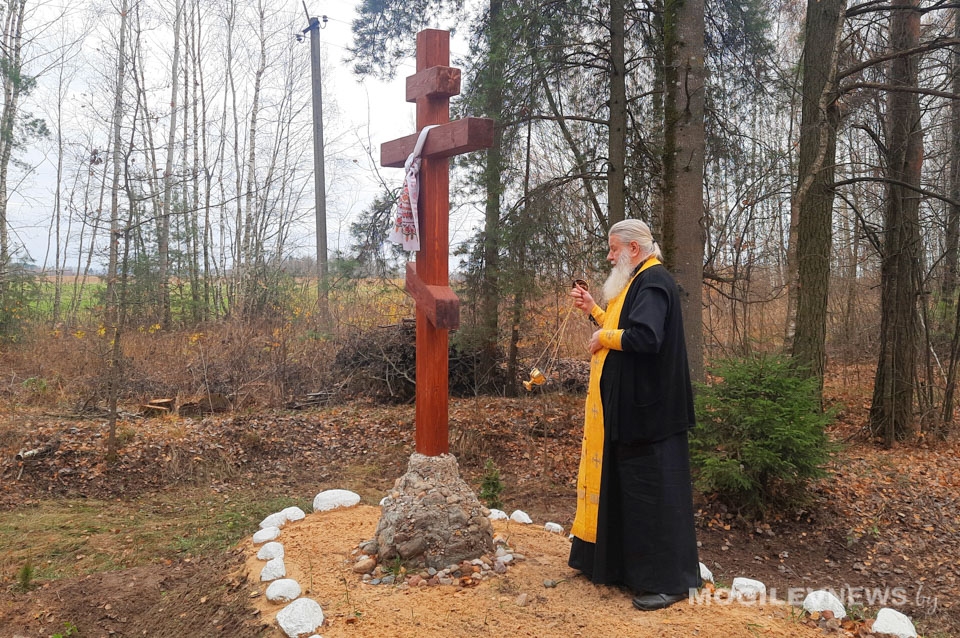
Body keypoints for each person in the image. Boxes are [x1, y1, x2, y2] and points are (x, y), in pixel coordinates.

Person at [567, 218, 700, 611]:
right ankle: (629, 571)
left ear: (633, 249)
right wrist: (595, 311)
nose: (609, 257)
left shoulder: (654, 281)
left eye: (613, 249)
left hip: (653, 416)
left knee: (655, 498)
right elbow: (624, 325)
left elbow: (645, 336)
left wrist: (603, 336)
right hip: (633, 414)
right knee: (632, 496)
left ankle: (670, 583)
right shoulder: (637, 281)